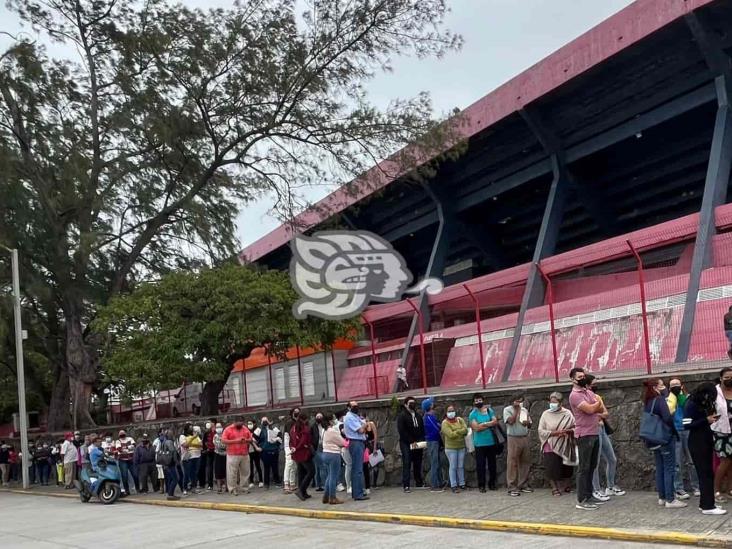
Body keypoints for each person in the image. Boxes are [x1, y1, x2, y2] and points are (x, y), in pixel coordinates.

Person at [683, 382, 727, 515]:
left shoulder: (700, 403)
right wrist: (706, 420)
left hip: (705, 440)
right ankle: (708, 506)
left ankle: (706, 503)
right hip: (697, 442)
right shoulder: (691, 403)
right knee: (705, 474)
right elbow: (686, 424)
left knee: (707, 473)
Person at [643, 377, 686, 508]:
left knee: (660, 467)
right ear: (656, 387)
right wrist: (673, 431)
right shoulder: (660, 400)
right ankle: (670, 499)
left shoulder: (648, 401)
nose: (664, 388)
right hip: (664, 438)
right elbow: (667, 417)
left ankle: (662, 497)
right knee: (669, 468)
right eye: (662, 385)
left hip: (653, 438)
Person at [568, 368, 605, 510]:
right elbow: (591, 409)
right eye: (579, 377)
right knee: (584, 468)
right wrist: (596, 404)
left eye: (584, 376)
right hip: (584, 434)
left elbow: (600, 409)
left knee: (592, 466)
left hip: (594, 432)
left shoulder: (588, 392)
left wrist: (595, 405)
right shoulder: (575, 395)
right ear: (573, 379)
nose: (583, 378)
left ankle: (589, 494)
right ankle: (582, 499)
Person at [586, 375, 624, 500]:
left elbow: (605, 413)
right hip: (593, 430)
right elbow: (587, 413)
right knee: (595, 462)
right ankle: (596, 489)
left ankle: (610, 486)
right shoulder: (583, 398)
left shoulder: (597, 397)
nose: (596, 386)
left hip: (601, 428)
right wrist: (596, 414)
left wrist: (596, 414)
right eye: (593, 384)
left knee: (612, 458)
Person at [538, 392, 577, 497]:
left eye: (555, 402)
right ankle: (554, 488)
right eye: (551, 402)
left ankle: (566, 485)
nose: (552, 404)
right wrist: (554, 433)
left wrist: (568, 431)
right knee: (552, 466)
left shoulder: (567, 413)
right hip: (550, 443)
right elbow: (540, 430)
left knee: (567, 466)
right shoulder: (545, 414)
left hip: (565, 443)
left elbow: (575, 426)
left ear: (560, 403)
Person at [667, 378, 699, 500]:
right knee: (677, 463)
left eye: (677, 385)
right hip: (676, 431)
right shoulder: (669, 399)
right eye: (672, 385)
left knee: (692, 461)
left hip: (688, 430)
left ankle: (696, 486)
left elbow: (688, 408)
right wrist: (673, 397)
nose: (675, 387)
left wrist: (680, 396)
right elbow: (669, 412)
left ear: (682, 386)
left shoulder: (687, 397)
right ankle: (679, 489)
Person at [503, 392, 533, 497]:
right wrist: (516, 411)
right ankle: (512, 486)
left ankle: (523, 484)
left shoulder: (525, 410)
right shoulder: (507, 410)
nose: (519, 403)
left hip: (524, 436)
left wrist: (528, 423)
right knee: (512, 462)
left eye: (521, 401)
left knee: (525, 461)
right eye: (517, 401)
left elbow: (529, 423)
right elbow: (510, 421)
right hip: (513, 437)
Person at [469, 393, 499, 493]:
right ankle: (481, 485)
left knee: (492, 465)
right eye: (476, 401)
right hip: (479, 444)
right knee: (480, 465)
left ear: (483, 400)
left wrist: (484, 424)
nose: (478, 402)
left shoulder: (489, 411)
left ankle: (492, 484)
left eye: (480, 400)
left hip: (491, 442)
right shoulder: (473, 414)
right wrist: (488, 424)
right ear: (473, 402)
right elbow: (476, 428)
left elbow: (495, 422)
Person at [712, 367, 732, 503]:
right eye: (726, 377)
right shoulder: (715, 392)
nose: (729, 379)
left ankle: (730, 489)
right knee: (725, 461)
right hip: (721, 432)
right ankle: (716, 491)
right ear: (720, 378)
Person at [397, 396, 426, 493]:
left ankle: (419, 482)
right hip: (406, 443)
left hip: (418, 443)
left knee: (418, 461)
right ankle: (406, 485)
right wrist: (411, 441)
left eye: (414, 402)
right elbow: (402, 431)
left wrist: (420, 440)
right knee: (407, 462)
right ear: (406, 405)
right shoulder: (402, 416)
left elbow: (422, 429)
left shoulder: (418, 416)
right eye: (410, 403)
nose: (412, 404)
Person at [344, 400, 369, 500]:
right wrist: (365, 424)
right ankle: (357, 494)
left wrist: (364, 424)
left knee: (358, 469)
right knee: (357, 469)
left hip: (359, 442)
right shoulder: (349, 417)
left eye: (357, 405)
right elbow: (361, 430)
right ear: (349, 408)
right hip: (355, 442)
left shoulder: (355, 416)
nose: (356, 407)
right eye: (354, 406)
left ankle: (359, 491)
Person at [441, 403, 468, 493]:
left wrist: (456, 431)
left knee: (460, 466)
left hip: (461, 446)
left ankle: (462, 483)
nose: (451, 412)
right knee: (453, 466)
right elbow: (450, 435)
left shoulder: (460, 420)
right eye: (449, 411)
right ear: (446, 412)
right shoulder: (445, 423)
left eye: (452, 410)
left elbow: (466, 430)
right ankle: (453, 485)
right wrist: (460, 431)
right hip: (451, 448)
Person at [221, 419, 252, 496]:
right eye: (239, 423)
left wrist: (246, 440)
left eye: (242, 423)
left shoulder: (245, 428)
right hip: (232, 454)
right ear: (234, 422)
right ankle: (232, 489)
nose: (240, 424)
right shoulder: (228, 429)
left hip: (244, 453)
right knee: (232, 472)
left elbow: (250, 439)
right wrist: (236, 441)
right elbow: (223, 440)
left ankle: (244, 488)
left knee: (245, 472)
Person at [290, 412, 315, 501]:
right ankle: (301, 490)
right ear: (305, 419)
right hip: (304, 453)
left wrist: (294, 448)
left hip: (296, 453)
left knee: (301, 472)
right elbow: (304, 441)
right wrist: (305, 446)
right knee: (311, 471)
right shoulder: (305, 429)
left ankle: (303, 492)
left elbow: (291, 440)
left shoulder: (293, 428)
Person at [322, 413, 345, 504]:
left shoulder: (325, 430)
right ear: (330, 421)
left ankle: (326, 496)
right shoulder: (332, 431)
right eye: (334, 418)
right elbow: (342, 442)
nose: (335, 420)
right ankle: (332, 497)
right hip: (333, 454)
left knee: (329, 476)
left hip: (326, 453)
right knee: (333, 477)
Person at [422, 397, 444, 492]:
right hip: (432, 441)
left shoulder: (431, 416)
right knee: (434, 463)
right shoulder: (428, 417)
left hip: (435, 441)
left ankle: (440, 481)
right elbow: (436, 428)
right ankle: (434, 484)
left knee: (437, 462)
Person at [256, 416, 282, 489]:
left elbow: (280, 436)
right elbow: (253, 439)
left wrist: (276, 441)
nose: (265, 422)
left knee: (275, 467)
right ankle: (266, 484)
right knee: (266, 467)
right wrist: (257, 447)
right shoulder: (259, 429)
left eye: (266, 420)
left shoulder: (274, 428)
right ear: (261, 422)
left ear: (269, 421)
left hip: (274, 450)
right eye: (263, 421)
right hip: (264, 451)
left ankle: (277, 482)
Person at [158, 429, 181, 501]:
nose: (172, 435)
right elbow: (173, 452)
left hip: (166, 463)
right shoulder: (169, 442)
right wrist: (176, 461)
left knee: (172, 478)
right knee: (176, 478)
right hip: (171, 463)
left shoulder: (163, 442)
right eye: (171, 434)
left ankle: (170, 493)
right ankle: (170, 494)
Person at [114, 429, 137, 496]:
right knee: (124, 476)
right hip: (122, 460)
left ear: (125, 433)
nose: (122, 435)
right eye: (120, 434)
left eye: (123, 433)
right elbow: (119, 449)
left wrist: (125, 448)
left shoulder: (130, 438)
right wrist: (128, 448)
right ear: (119, 435)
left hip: (131, 459)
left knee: (135, 474)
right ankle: (127, 490)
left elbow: (134, 445)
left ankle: (137, 488)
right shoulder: (118, 441)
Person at [283, 407, 300, 494]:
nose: (297, 413)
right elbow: (287, 436)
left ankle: (292, 484)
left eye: (298, 412)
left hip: (295, 446)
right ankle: (286, 484)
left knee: (294, 466)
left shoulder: (298, 422)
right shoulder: (290, 423)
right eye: (295, 412)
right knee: (289, 464)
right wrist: (288, 447)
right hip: (289, 446)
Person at [363, 414, 379, 492]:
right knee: (366, 466)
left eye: (365, 418)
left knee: (375, 464)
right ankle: (368, 484)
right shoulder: (362, 426)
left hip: (372, 444)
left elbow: (375, 436)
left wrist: (375, 448)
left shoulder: (371, 424)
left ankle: (375, 483)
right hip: (365, 446)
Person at [247, 420, 263, 488]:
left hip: (256, 451)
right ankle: (251, 481)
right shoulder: (247, 431)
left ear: (254, 423)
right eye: (248, 424)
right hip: (249, 451)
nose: (249, 425)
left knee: (258, 465)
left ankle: (261, 481)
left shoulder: (258, 430)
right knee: (250, 467)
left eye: (250, 423)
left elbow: (256, 440)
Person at [212, 423, 227, 493]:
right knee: (218, 471)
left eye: (220, 427)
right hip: (218, 455)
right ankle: (219, 488)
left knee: (226, 471)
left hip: (225, 455)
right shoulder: (215, 436)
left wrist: (224, 445)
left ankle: (227, 487)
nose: (219, 428)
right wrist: (224, 445)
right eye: (217, 427)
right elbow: (219, 446)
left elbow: (227, 444)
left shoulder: (225, 434)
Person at [201, 421, 216, 491]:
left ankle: (220, 482)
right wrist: (207, 449)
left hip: (216, 451)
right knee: (209, 468)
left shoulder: (216, 433)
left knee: (217, 467)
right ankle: (210, 484)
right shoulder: (206, 434)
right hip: (209, 452)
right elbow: (204, 443)